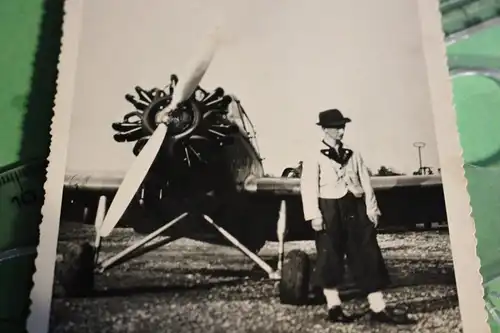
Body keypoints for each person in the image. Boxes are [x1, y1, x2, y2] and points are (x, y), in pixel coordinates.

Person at [300, 108, 416, 325]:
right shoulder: (313, 154)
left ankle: (378, 308)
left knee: (367, 253)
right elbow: (308, 186)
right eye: (336, 127)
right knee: (330, 256)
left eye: (342, 126)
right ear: (324, 129)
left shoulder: (353, 153)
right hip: (329, 207)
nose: (341, 131)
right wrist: (314, 215)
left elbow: (366, 181)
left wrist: (372, 209)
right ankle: (334, 307)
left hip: (355, 206)